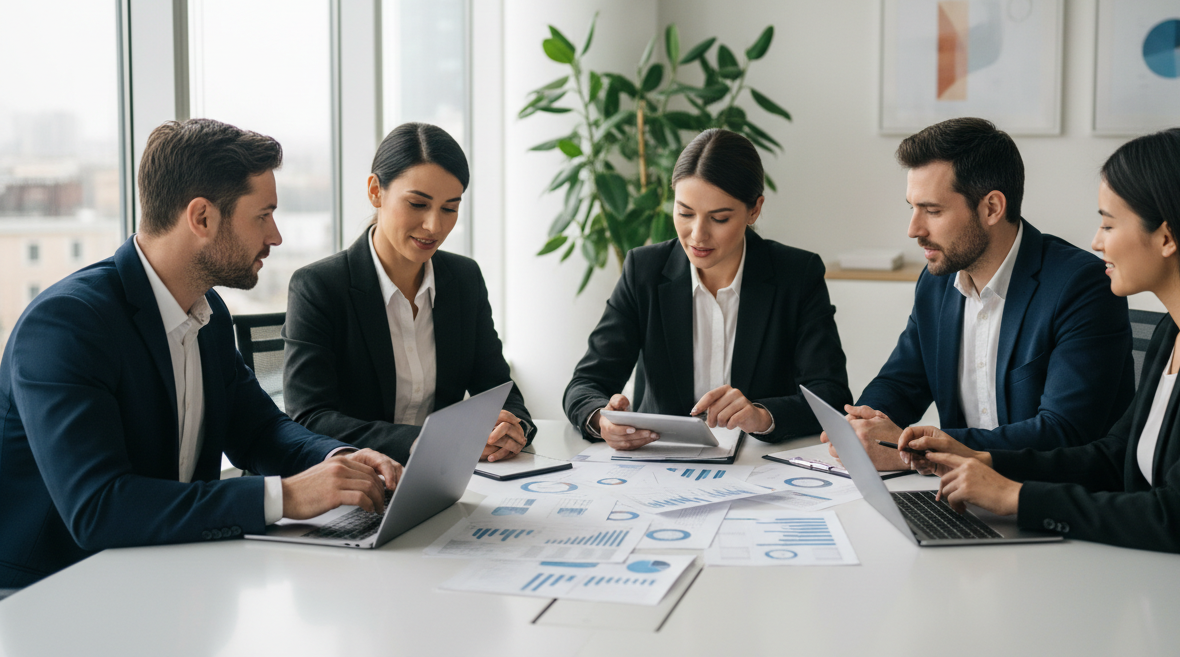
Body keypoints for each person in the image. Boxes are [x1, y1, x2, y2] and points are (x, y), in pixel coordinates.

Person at [893, 129, 1180, 656]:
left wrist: (1014, 496)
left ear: (1167, 237)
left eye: (1109, 223)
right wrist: (983, 458)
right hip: (1169, 587)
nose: (1096, 241)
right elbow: (1114, 458)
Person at [0, 118, 402, 589]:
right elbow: (98, 508)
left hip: (171, 571)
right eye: (262, 215)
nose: (275, 237)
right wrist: (286, 496)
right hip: (56, 592)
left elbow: (260, 430)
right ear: (202, 218)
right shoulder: (67, 325)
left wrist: (346, 460)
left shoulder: (207, 310)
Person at [827, 117, 1133, 470]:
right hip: (958, 495)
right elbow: (901, 381)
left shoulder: (1081, 286)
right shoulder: (936, 282)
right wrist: (863, 426)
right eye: (912, 208)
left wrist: (919, 447)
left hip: (1046, 499)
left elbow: (1064, 432)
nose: (913, 229)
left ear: (991, 207)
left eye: (932, 210)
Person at [563, 128, 851, 448]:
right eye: (685, 213)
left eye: (719, 218)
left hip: (761, 468)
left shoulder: (796, 275)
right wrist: (601, 418)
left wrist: (762, 416)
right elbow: (586, 384)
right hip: (660, 461)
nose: (697, 236)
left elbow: (831, 394)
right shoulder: (643, 271)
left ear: (754, 209)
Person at [284, 123, 533, 466]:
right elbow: (309, 417)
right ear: (376, 191)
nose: (434, 226)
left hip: (446, 481)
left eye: (450, 208)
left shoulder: (464, 279)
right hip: (358, 481)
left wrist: (510, 427)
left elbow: (499, 391)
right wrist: (428, 443)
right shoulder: (318, 287)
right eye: (418, 204)